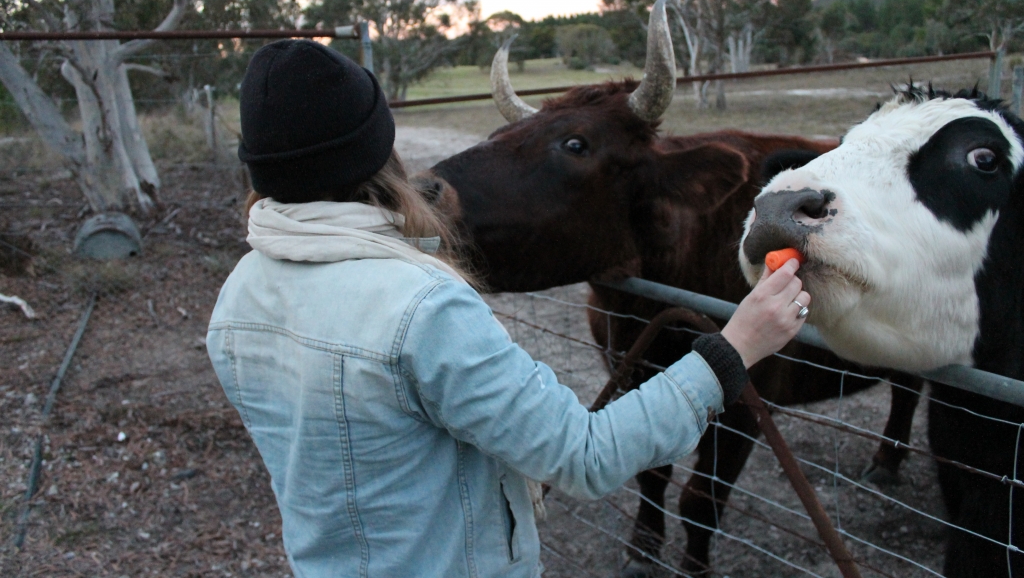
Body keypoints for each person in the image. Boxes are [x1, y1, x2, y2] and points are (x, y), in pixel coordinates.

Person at [206, 40, 810, 578]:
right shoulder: (422, 308)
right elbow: (585, 456)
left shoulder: (237, 295)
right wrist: (737, 346)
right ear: (375, 152)